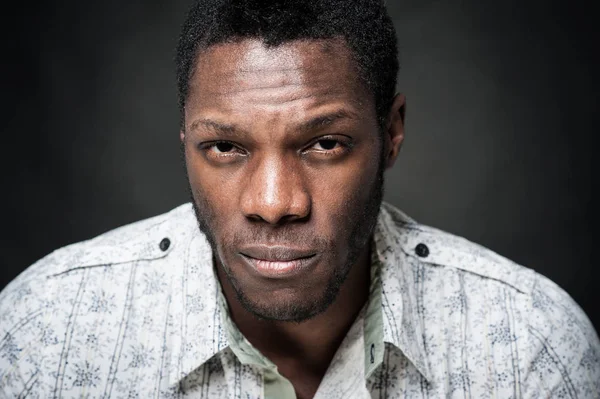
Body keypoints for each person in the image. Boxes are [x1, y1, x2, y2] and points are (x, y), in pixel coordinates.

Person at [1, 0, 598, 397]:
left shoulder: (530, 346)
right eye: (226, 148)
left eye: (324, 143)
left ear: (391, 131)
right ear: (184, 138)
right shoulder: (43, 332)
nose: (273, 202)